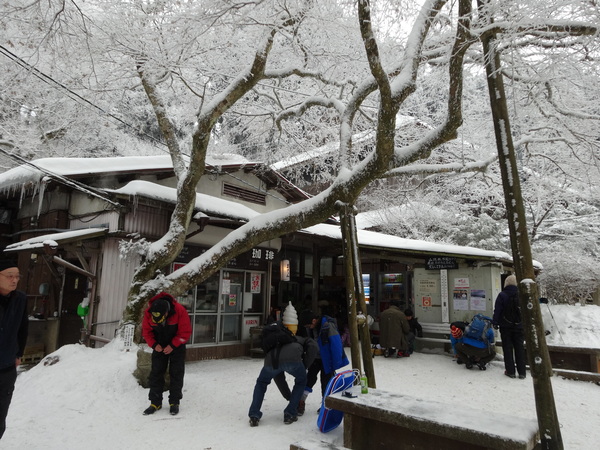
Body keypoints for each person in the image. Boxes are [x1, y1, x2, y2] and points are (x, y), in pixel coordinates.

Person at [248, 325, 317, 426]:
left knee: (261, 383)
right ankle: (290, 413)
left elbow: (279, 378)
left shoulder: (277, 342)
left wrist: (288, 396)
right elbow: (314, 347)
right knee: (301, 380)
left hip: (271, 361)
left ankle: (254, 415)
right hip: (293, 360)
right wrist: (305, 365)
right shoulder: (302, 339)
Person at [141, 292, 192, 416]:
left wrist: (173, 345)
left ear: (166, 313)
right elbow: (147, 332)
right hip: (159, 345)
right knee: (156, 372)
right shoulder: (149, 313)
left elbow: (185, 332)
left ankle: (174, 402)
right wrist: (154, 344)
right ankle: (155, 402)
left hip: (177, 345)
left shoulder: (179, 310)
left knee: (176, 373)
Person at [297, 310, 349, 413]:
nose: (308, 328)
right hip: (315, 357)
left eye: (308, 326)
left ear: (314, 321)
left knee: (326, 382)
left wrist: (336, 362)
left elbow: (336, 343)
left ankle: (326, 405)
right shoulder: (311, 328)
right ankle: (300, 401)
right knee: (309, 378)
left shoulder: (327, 325)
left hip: (328, 359)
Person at [0, 255, 28, 440]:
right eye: (10, 275)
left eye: (17, 276)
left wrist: (18, 354)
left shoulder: (20, 299)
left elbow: (23, 327)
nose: (14, 280)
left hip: (6, 369)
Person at [493, 275, 527, 379]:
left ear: (506, 283)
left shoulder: (502, 295)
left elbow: (497, 310)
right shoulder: (521, 295)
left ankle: (510, 371)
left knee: (507, 349)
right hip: (519, 326)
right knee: (519, 348)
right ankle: (522, 372)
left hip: (505, 326)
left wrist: (495, 322)